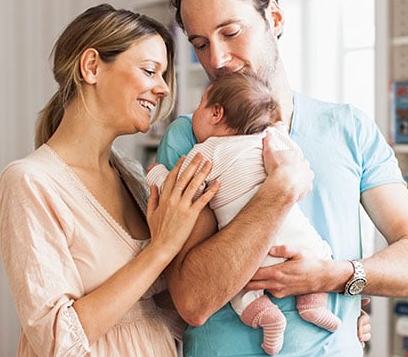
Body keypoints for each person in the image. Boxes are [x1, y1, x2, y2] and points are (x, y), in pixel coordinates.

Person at [156, 0, 408, 356]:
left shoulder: (349, 128)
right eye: (200, 43)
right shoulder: (190, 139)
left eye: (231, 33)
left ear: (274, 19)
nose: (216, 59)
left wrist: (333, 276)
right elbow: (193, 300)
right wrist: (279, 192)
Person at [0, 3, 221, 357]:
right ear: (91, 67)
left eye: (163, 75)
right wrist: (161, 248)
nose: (162, 89)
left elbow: (167, 312)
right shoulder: (30, 182)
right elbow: (57, 341)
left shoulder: (133, 176)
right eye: (150, 70)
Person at [146, 72, 341, 355]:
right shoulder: (271, 137)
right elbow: (296, 163)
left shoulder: (208, 151)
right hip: (296, 237)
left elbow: (185, 189)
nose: (194, 115)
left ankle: (269, 319)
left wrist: (156, 176)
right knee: (319, 253)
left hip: (255, 252)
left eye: (200, 106)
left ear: (216, 113)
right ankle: (313, 306)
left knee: (241, 290)